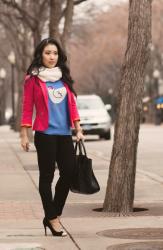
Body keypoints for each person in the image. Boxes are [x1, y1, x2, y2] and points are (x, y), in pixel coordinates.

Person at [20, 38, 84, 237]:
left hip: (64, 134)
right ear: (41, 55)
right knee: (46, 177)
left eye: (55, 53)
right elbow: (27, 106)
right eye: (48, 53)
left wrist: (78, 128)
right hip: (45, 134)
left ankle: (52, 214)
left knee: (69, 172)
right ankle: (53, 219)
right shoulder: (32, 80)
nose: (52, 57)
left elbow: (72, 104)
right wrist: (24, 134)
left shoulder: (63, 78)